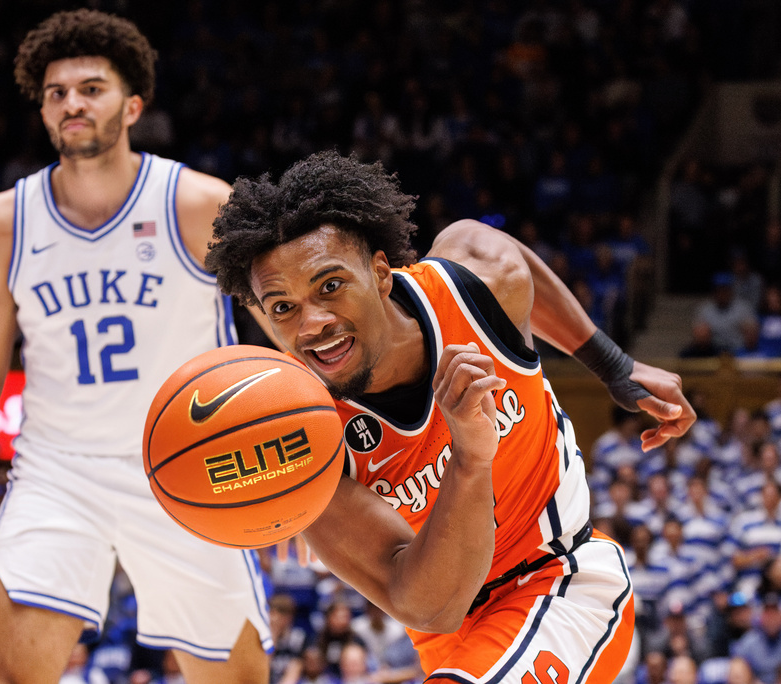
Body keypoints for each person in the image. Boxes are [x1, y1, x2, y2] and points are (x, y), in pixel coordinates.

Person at [206, 151, 697, 682]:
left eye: (330, 285)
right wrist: (469, 456)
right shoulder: (293, 431)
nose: (313, 323)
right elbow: (426, 607)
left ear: (380, 272)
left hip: (561, 580)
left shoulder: (473, 281)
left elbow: (515, 263)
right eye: (282, 307)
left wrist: (613, 363)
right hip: (448, 637)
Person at [0, 9, 271, 684]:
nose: (72, 102)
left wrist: (310, 481)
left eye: (91, 88)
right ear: (44, 113)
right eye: (56, 93)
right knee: (8, 674)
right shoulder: (3, 224)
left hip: (187, 465)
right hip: (58, 472)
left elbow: (286, 330)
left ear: (133, 105)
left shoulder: (199, 206)